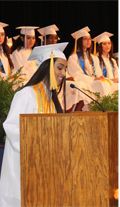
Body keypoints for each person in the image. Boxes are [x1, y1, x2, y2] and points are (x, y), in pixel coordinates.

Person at [0, 42, 68, 206]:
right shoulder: (26, 94)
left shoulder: (51, 100)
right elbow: (11, 127)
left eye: (65, 69)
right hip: (24, 165)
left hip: (44, 165)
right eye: (60, 68)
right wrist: (37, 142)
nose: (63, 73)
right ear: (47, 67)